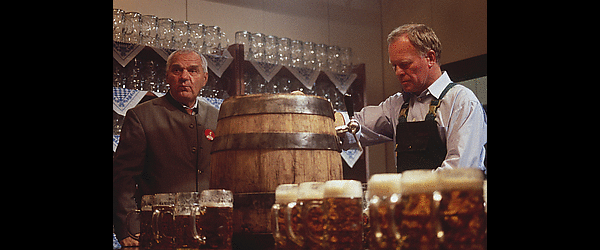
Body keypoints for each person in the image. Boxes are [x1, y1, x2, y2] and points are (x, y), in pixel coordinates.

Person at [339, 24, 487, 173]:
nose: (398, 72)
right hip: (411, 195)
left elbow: (459, 171)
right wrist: (323, 118)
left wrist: (409, 187)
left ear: (430, 58)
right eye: (394, 66)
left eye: (405, 64)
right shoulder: (397, 104)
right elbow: (358, 124)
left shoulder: (462, 102)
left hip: (452, 196)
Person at [113, 50, 219, 246]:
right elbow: (123, 177)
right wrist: (129, 228)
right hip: (160, 232)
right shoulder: (141, 116)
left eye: (193, 71)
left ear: (204, 79)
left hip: (210, 231)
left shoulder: (218, 117)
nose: (184, 77)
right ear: (167, 77)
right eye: (177, 70)